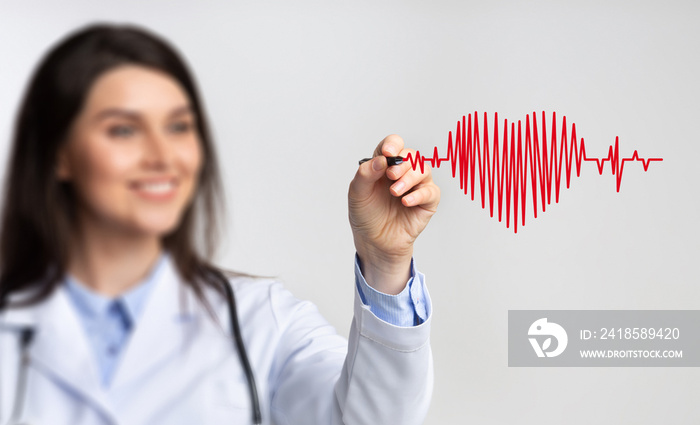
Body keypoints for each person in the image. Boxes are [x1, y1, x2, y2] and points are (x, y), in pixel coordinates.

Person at [0, 22, 440, 425]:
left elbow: (370, 419)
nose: (162, 156)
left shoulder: (258, 319)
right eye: (123, 130)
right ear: (59, 153)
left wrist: (385, 264)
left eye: (178, 127)